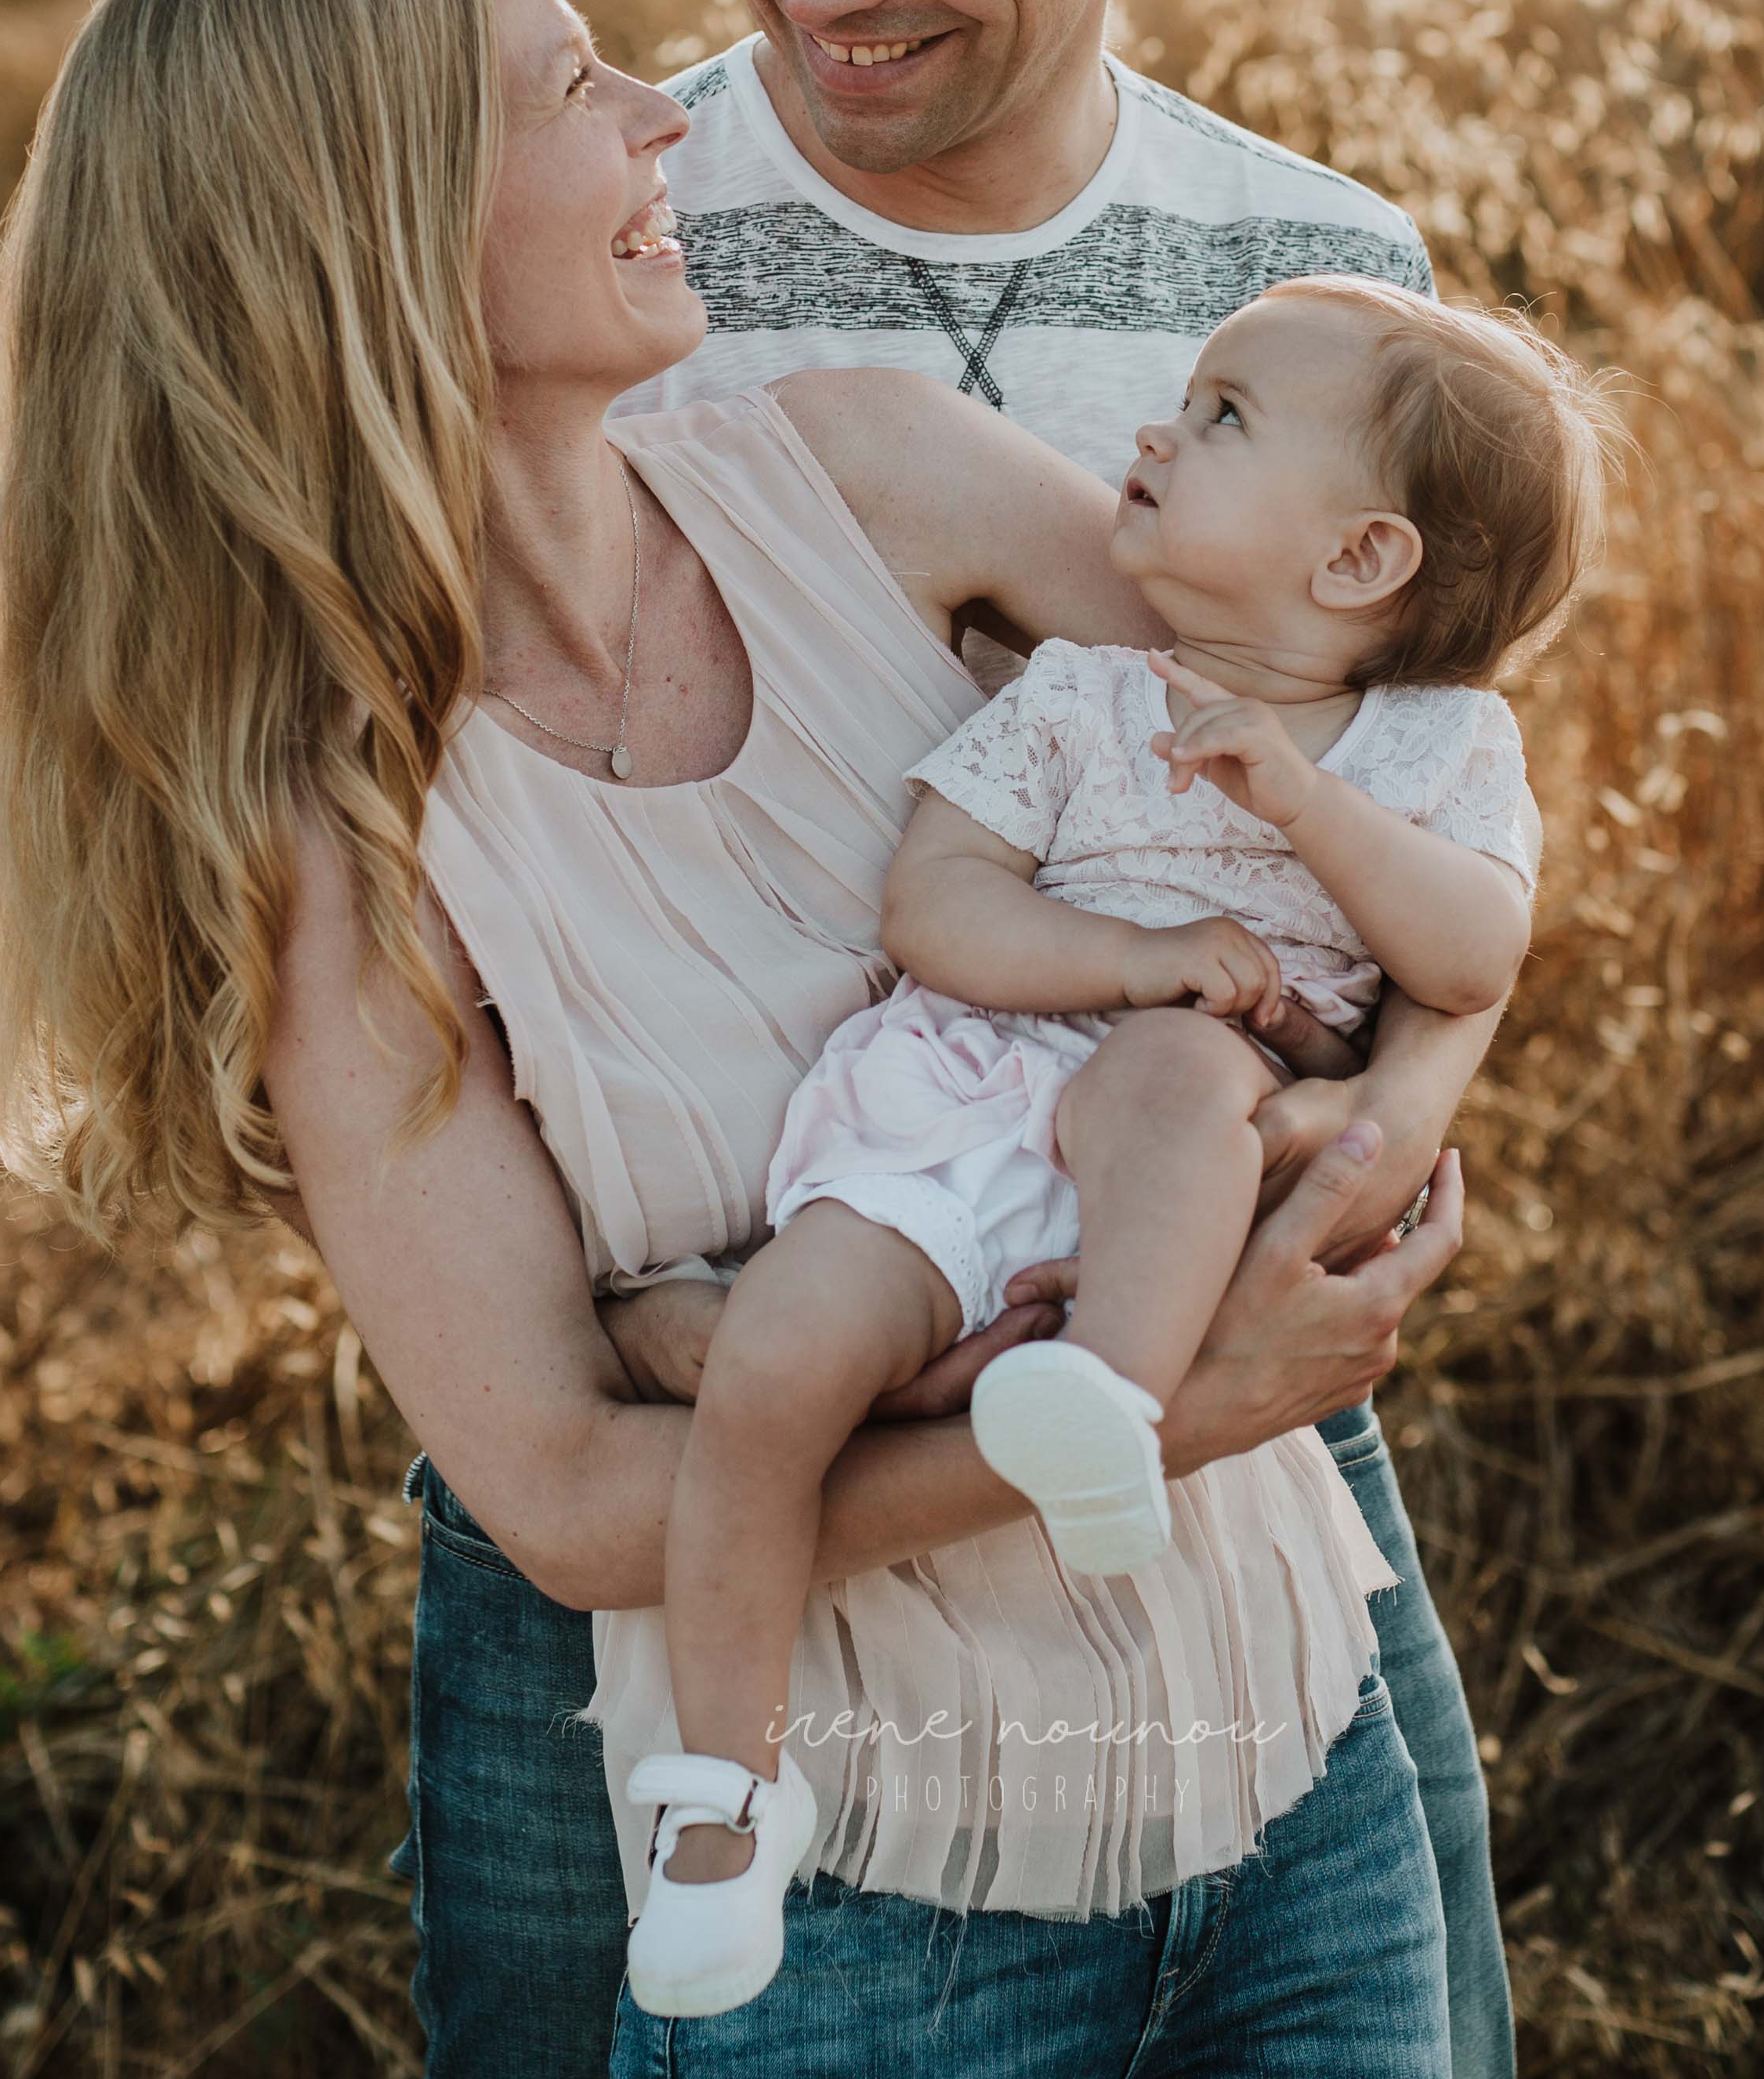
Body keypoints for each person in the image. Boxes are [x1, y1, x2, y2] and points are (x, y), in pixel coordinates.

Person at [0, 0, 1474, 2077]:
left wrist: (1383, 1134)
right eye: (574, 88)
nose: (668, 115)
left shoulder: (868, 474)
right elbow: (571, 1495)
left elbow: (1393, 774)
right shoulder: (334, 838)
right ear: (372, 229)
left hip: (1278, 1741)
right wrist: (1188, 1397)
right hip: (852, 1890)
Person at [607, 0, 1523, 2077]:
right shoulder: (601, 244)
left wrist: (1383, 1128)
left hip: (1195, 1361)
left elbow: (1434, 808)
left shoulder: (1317, 287)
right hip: (748, 1393)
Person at [630, 279, 1607, 2020]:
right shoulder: (1078, 695)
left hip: (1181, 1126)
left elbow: (1470, 957)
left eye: (1224, 416)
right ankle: (725, 1792)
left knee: (1174, 1072)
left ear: (1360, 558)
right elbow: (936, 908)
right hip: (970, 1094)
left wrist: (1302, 806)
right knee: (771, 1363)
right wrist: (1131, 955)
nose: (1158, 429)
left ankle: (1106, 1400)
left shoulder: (1441, 748)